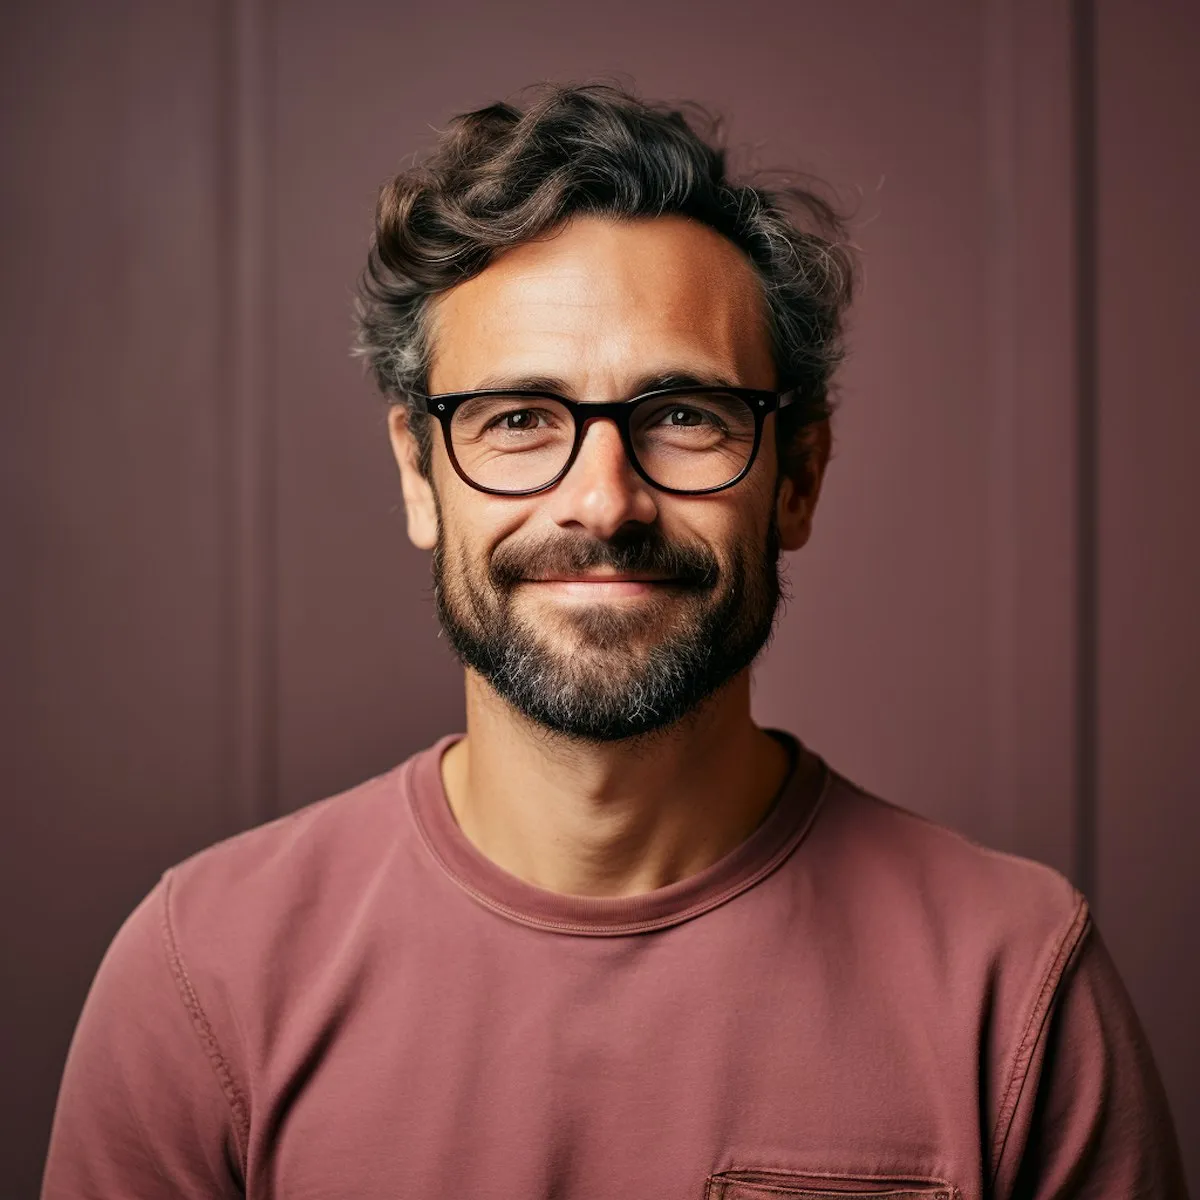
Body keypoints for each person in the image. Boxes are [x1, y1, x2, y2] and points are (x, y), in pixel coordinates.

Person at [41, 83, 1187, 1200]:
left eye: (683, 415)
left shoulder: (1014, 984)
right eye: (518, 419)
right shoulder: (203, 976)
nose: (603, 501)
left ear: (798, 478)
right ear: (419, 474)